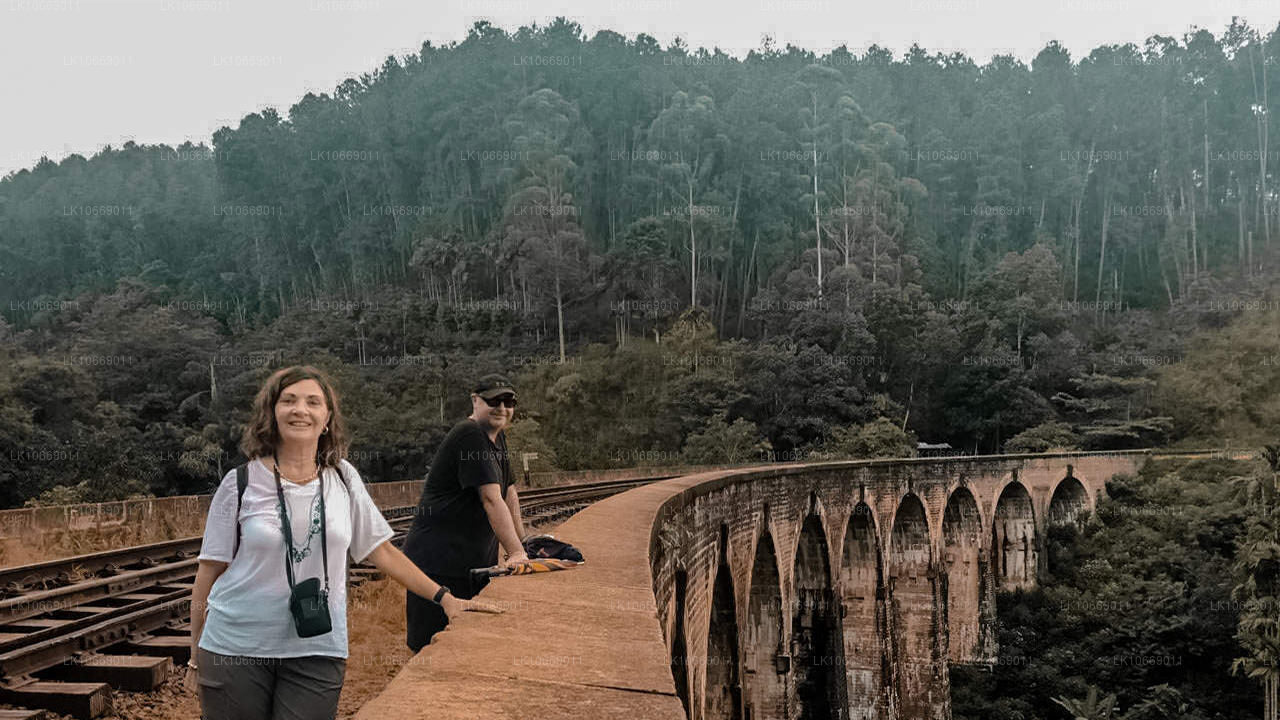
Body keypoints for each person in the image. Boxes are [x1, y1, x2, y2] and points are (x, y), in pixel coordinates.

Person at [186, 365, 501, 720]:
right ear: (271, 414)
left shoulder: (343, 478)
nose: (300, 410)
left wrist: (445, 599)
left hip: (318, 648)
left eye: (312, 402)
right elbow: (209, 571)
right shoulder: (239, 482)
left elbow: (380, 550)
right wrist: (196, 657)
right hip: (234, 649)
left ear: (327, 418)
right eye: (288, 400)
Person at [401, 373, 528, 652]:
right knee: (428, 648)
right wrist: (516, 553)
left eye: (508, 401)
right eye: (493, 400)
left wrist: (524, 545)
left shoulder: (497, 437)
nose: (502, 408)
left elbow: (509, 494)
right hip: (436, 564)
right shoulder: (469, 434)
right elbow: (491, 498)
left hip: (468, 565)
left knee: (462, 644)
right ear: (475, 400)